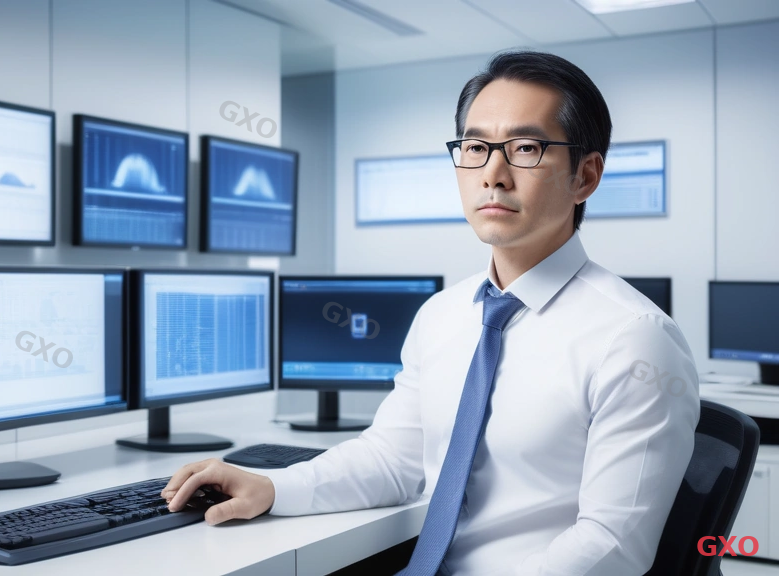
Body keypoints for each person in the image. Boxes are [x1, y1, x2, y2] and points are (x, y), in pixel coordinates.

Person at [162, 50, 699, 575]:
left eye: (526, 148)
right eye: (474, 147)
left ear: (585, 176)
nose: (494, 174)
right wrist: (276, 486)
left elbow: (612, 548)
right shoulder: (443, 315)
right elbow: (392, 460)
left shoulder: (635, 338)